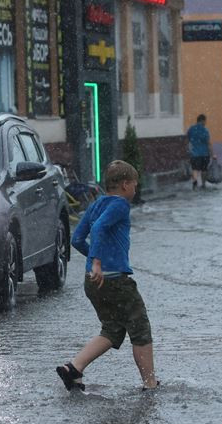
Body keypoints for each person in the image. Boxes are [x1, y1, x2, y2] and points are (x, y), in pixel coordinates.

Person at [56, 160, 158, 392]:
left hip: (93, 281)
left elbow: (77, 239)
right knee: (140, 328)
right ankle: (150, 383)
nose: (135, 189)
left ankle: (74, 368)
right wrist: (99, 262)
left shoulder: (96, 204)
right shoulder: (121, 205)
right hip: (115, 280)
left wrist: (93, 262)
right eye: (134, 185)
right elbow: (100, 228)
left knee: (112, 328)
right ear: (124, 185)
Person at [187, 114, 215, 190]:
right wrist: (213, 154)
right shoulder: (205, 130)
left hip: (194, 154)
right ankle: (203, 184)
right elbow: (209, 143)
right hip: (204, 154)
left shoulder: (191, 129)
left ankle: (195, 181)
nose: (206, 122)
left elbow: (188, 139)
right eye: (205, 121)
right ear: (202, 120)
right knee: (204, 169)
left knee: (195, 169)